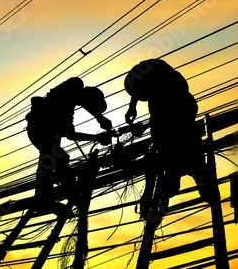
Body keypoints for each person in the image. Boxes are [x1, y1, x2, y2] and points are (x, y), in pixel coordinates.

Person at [124, 58, 211, 218]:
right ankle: (196, 187)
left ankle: (202, 188)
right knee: (178, 159)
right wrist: (133, 108)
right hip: (175, 139)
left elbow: (166, 117)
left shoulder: (168, 89)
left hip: (179, 134)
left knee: (187, 161)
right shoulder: (158, 92)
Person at [25, 77, 112, 206]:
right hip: (40, 129)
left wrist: (96, 136)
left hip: (43, 133)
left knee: (55, 159)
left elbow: (71, 135)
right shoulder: (74, 85)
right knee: (55, 158)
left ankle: (48, 195)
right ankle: (47, 198)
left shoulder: (68, 112)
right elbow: (80, 98)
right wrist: (99, 117)